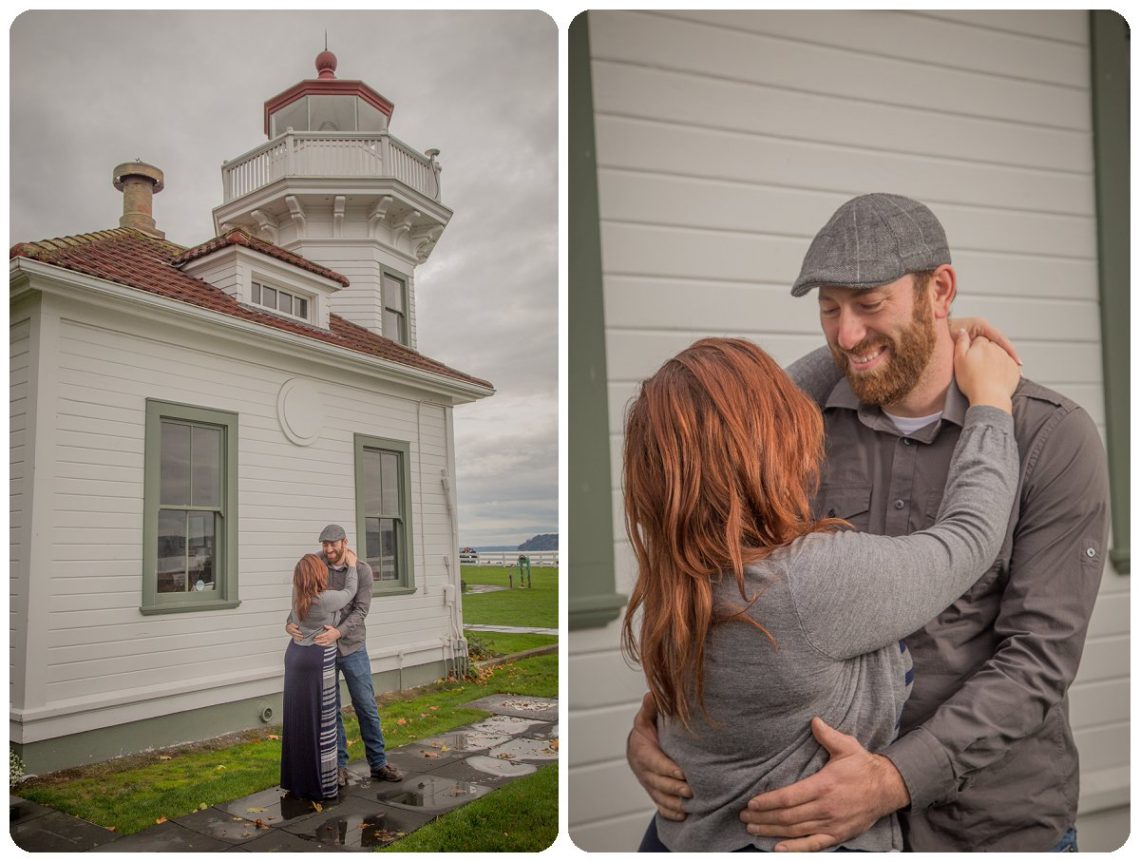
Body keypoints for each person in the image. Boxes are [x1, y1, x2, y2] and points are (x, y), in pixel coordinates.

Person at [627, 193, 1109, 852]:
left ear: (940, 289)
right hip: (807, 826)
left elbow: (1038, 662)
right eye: (829, 309)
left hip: (986, 828)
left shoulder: (1053, 437)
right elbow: (707, 566)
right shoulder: (788, 434)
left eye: (870, 304)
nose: (846, 333)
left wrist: (891, 780)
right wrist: (662, 723)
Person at [624, 335, 1020, 852]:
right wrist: (991, 401)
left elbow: (733, 420)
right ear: (770, 438)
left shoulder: (677, 573)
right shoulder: (807, 582)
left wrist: (899, 341)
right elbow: (969, 537)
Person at [286, 525, 403, 787]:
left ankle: (378, 763)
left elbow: (360, 610)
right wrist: (289, 622)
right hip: (322, 653)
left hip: (352, 648)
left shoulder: (361, 570)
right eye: (324, 544)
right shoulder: (316, 563)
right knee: (332, 711)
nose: (328, 549)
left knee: (366, 706)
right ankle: (338, 767)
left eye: (333, 544)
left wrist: (337, 633)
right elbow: (301, 594)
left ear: (344, 542)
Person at [280, 553, 358, 800]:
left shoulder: (297, 596)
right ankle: (322, 786)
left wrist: (287, 625)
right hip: (316, 659)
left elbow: (292, 619)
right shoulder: (324, 600)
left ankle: (297, 782)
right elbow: (350, 591)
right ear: (317, 575)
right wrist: (353, 566)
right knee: (322, 720)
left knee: (298, 720)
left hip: (294, 657)